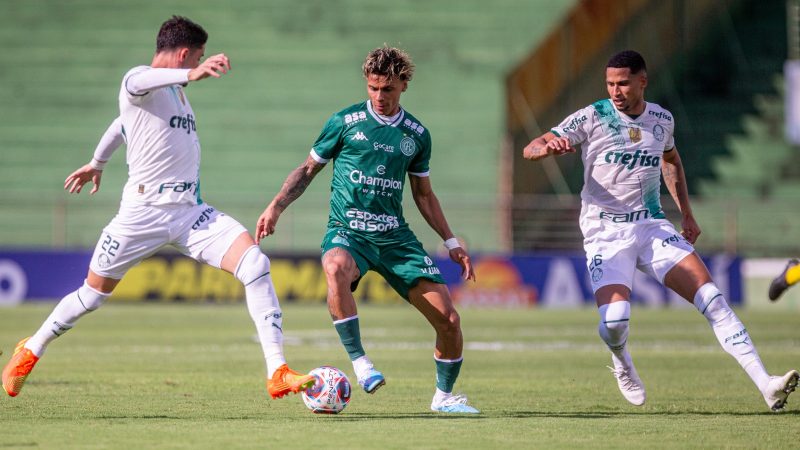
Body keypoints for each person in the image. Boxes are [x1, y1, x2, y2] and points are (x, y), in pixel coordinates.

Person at [2, 16, 314, 400]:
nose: (198, 62)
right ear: (185, 54)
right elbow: (135, 85)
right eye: (196, 56)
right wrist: (192, 73)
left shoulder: (176, 96)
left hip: (189, 213)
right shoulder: (140, 79)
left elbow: (121, 126)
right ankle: (32, 348)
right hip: (142, 212)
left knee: (255, 264)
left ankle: (277, 370)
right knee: (92, 295)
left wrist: (97, 162)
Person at [522, 50, 798, 411]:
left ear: (642, 81)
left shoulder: (662, 120)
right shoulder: (593, 116)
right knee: (616, 322)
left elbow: (671, 160)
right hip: (605, 231)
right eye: (609, 83)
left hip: (651, 226)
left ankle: (767, 384)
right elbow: (532, 147)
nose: (615, 91)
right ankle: (622, 363)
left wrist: (687, 214)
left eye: (622, 83)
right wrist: (547, 149)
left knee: (713, 299)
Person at [255, 46, 479, 414]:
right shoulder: (344, 122)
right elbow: (307, 170)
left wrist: (451, 242)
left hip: (395, 238)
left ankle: (444, 398)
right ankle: (361, 364)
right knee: (335, 267)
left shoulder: (417, 135)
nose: (379, 97)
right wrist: (276, 206)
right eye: (373, 88)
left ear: (403, 85)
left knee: (449, 320)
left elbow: (423, 194)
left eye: (387, 89)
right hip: (349, 231)